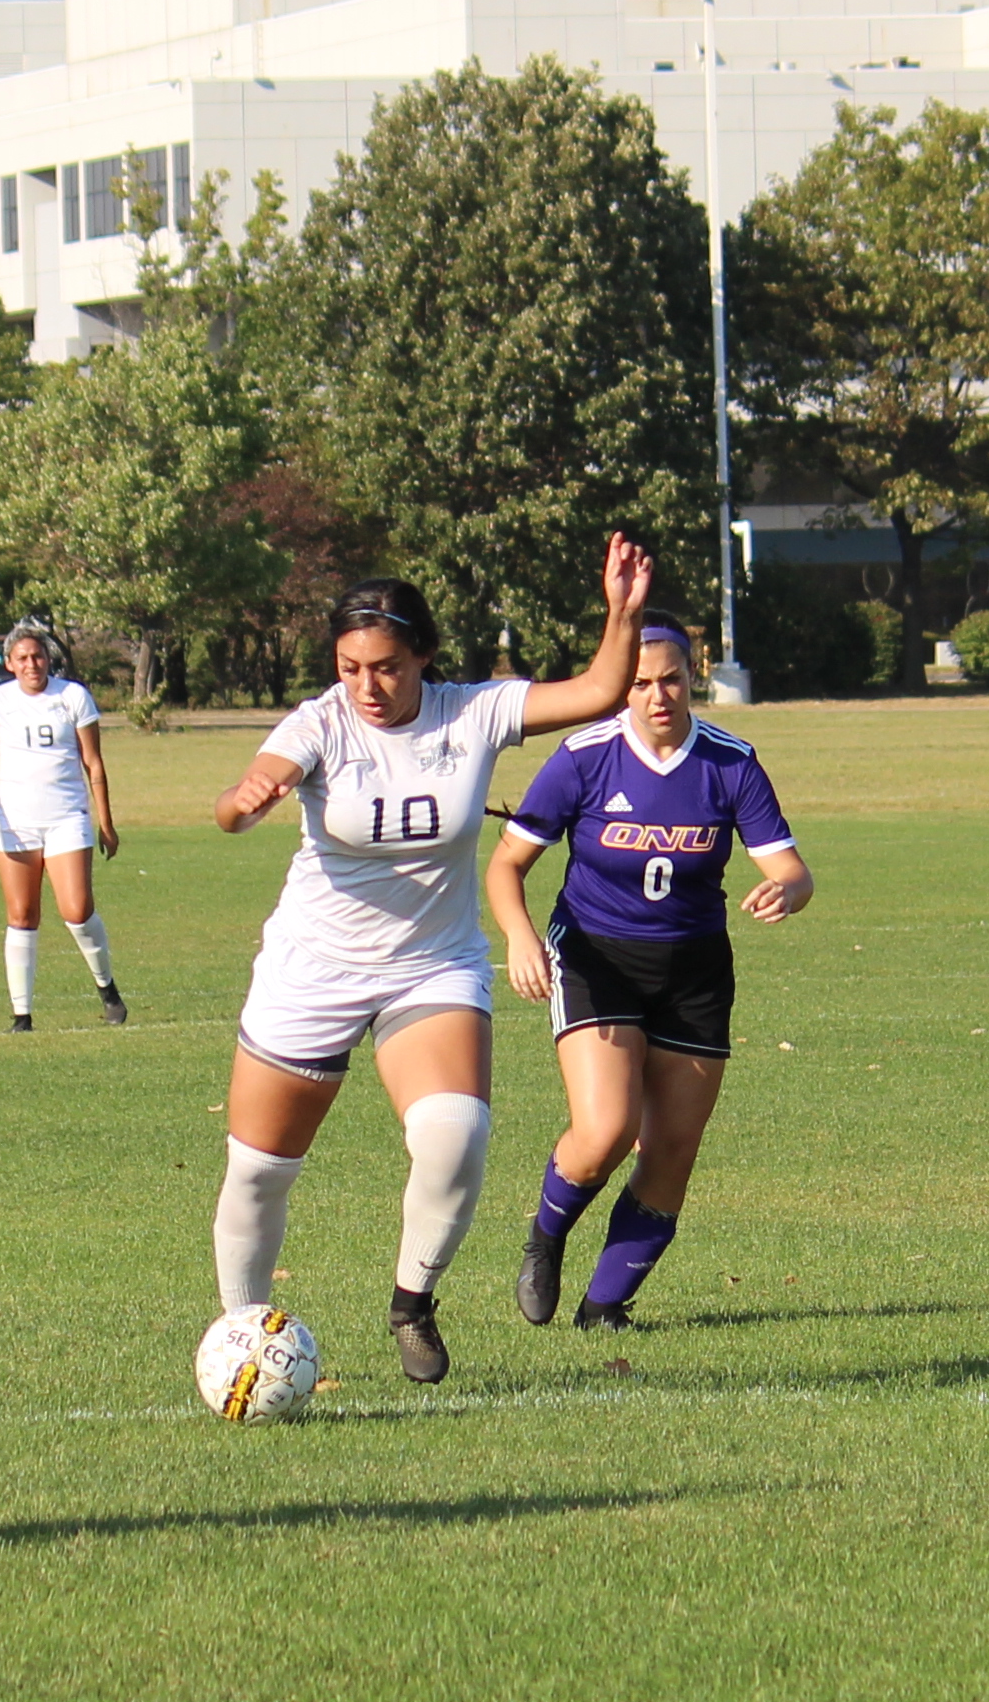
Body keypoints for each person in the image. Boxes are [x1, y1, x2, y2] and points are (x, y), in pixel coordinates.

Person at [208, 541, 657, 1383]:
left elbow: (600, 692)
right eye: (349, 668)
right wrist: (244, 802)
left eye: (385, 667)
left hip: (432, 965)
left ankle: (412, 1303)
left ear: (423, 655)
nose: (367, 687)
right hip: (315, 965)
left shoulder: (471, 712)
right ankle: (242, 1336)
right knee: (261, 1169)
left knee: (455, 1134)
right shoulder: (319, 722)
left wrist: (623, 615)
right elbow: (244, 796)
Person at [489, 615, 809, 1329]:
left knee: (670, 1152)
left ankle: (604, 1308)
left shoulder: (730, 761)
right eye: (639, 683)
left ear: (692, 677)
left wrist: (786, 889)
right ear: (620, 689)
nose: (657, 695)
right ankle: (545, 1239)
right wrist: (519, 936)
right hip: (597, 960)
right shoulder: (584, 756)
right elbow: (507, 865)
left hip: (695, 971)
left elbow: (791, 867)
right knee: (605, 1130)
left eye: (670, 679)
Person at [0, 620, 125, 1028]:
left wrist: (106, 821)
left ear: (48, 659)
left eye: (38, 656)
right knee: (22, 914)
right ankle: (22, 1014)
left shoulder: (72, 696)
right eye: (22, 658)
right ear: (10, 664)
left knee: (77, 909)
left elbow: (93, 762)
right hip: (16, 821)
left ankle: (108, 990)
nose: (32, 664)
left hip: (67, 817)